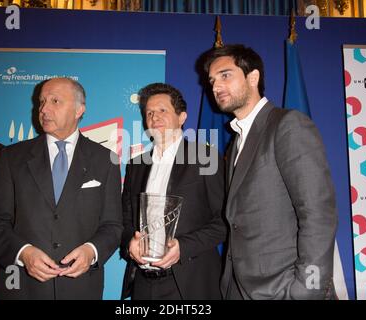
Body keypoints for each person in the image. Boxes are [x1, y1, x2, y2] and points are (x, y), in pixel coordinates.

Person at [204, 44, 338, 300]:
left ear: (253, 78)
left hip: (284, 289)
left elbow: (318, 213)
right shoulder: (236, 143)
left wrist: (307, 289)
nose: (216, 86)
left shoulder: (287, 125)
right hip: (239, 289)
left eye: (225, 75)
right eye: (212, 80)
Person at [0, 77, 123, 299]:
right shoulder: (10, 158)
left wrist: (91, 251)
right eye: (41, 101)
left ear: (79, 110)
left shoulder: (106, 160)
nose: (44, 109)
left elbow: (113, 225)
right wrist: (23, 253)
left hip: (81, 289)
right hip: (20, 287)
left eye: (55, 101)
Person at [120, 83, 226, 300]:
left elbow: (225, 221)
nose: (154, 117)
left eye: (162, 111)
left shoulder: (206, 158)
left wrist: (183, 247)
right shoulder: (136, 165)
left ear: (182, 117)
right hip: (143, 284)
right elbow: (124, 220)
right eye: (149, 113)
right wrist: (130, 242)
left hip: (190, 284)